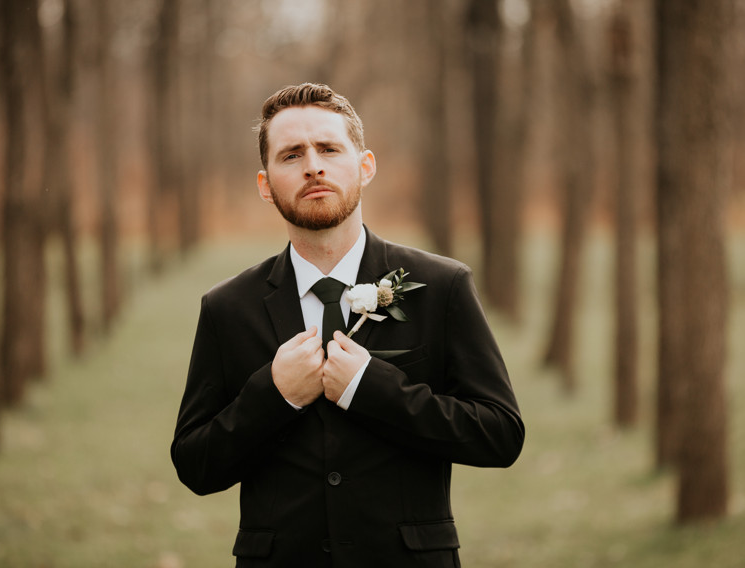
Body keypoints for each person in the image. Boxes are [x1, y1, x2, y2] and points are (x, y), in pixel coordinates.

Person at [171, 83, 524, 568]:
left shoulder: (442, 286)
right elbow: (195, 464)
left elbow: (500, 434)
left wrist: (372, 388)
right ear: (264, 184)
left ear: (365, 166)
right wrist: (275, 395)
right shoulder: (227, 308)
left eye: (329, 149)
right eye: (291, 154)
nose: (313, 165)